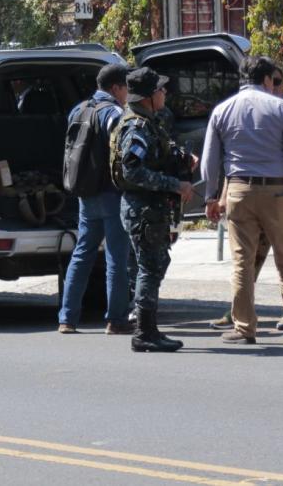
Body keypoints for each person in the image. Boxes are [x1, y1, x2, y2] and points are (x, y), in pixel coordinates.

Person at [201, 55, 283, 344]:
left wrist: (210, 196)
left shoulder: (222, 110)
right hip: (277, 192)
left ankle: (244, 328)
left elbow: (210, 160)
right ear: (267, 79)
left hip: (238, 191)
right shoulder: (282, 108)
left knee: (242, 261)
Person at [110, 67, 195, 352]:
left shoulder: (147, 122)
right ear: (148, 96)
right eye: (160, 89)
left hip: (146, 208)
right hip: (143, 208)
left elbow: (159, 150)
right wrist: (174, 184)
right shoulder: (137, 127)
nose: (165, 93)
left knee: (156, 264)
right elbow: (132, 171)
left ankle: (149, 329)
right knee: (149, 268)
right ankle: (144, 332)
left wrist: (182, 158)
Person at [58, 63, 133, 335]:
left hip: (85, 193)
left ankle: (67, 318)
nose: (128, 94)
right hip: (112, 193)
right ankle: (116, 319)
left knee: (82, 254)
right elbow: (124, 147)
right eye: (126, 88)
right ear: (116, 88)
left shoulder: (78, 110)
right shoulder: (113, 112)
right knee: (116, 257)